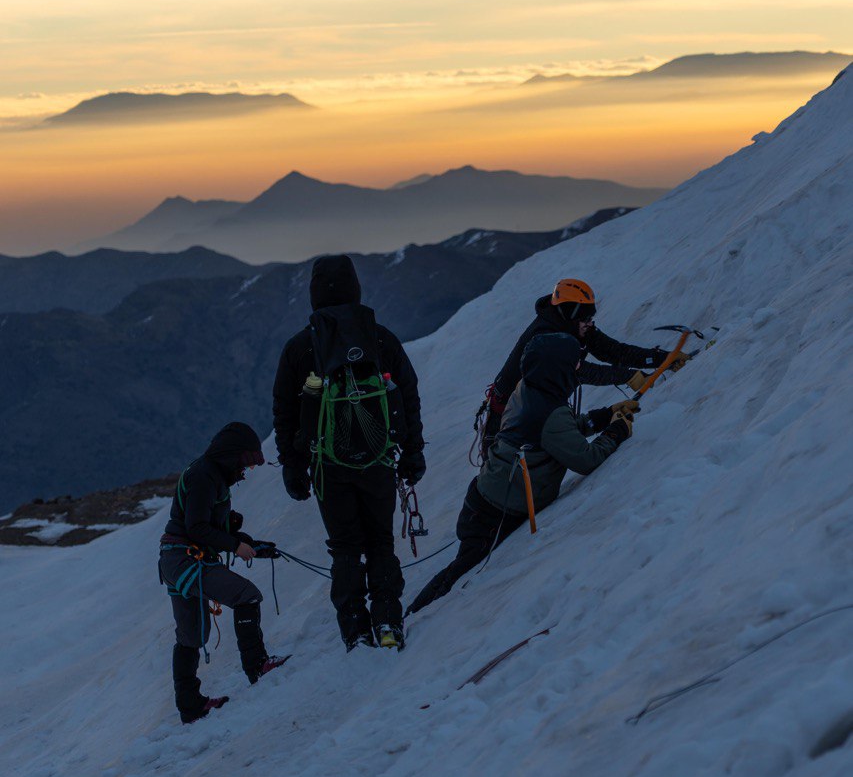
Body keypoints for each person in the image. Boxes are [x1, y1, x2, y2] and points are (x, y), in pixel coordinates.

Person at [408, 332, 634, 615]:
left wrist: (602, 416)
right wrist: (616, 431)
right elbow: (585, 458)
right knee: (459, 578)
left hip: (485, 503)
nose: (577, 368)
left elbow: (555, 432)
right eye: (573, 363)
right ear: (557, 368)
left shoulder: (528, 389)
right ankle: (414, 620)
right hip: (499, 512)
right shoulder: (549, 410)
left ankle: (415, 617)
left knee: (461, 570)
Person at [273, 255, 425, 652]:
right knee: (381, 542)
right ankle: (389, 622)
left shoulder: (300, 347)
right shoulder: (379, 338)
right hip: (378, 461)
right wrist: (412, 452)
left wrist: (294, 466)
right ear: (355, 288)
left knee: (345, 547)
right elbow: (407, 396)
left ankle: (355, 631)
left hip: (328, 466)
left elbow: (285, 411)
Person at [159, 421, 287, 724]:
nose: (246, 471)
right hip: (186, 561)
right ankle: (257, 666)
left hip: (175, 561)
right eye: (246, 462)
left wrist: (248, 543)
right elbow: (198, 528)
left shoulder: (209, 473)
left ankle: (191, 708)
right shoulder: (205, 476)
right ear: (232, 456)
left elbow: (204, 524)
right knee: (247, 595)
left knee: (192, 636)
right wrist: (235, 545)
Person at [476, 278, 686, 457]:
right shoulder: (545, 339)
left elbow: (613, 351)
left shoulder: (575, 327)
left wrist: (661, 358)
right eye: (585, 317)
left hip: (531, 413)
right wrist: (628, 377)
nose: (590, 322)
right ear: (570, 313)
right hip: (509, 423)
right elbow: (578, 371)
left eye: (590, 316)